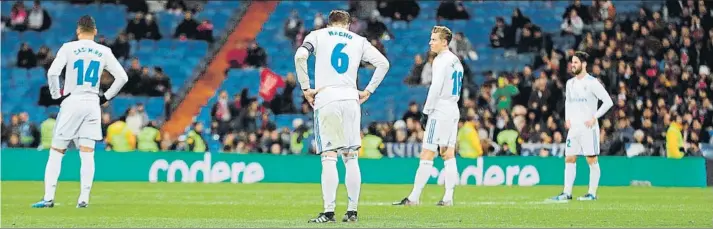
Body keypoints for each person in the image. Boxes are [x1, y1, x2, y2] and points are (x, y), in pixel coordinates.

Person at [294, 10, 390, 223]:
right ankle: (352, 211)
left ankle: (328, 212)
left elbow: (300, 55)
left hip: (327, 97)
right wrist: (368, 90)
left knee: (329, 157)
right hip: (350, 99)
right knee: (351, 157)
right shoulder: (359, 40)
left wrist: (306, 88)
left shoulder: (317, 35)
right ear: (348, 25)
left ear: (330, 23)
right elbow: (384, 64)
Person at [32, 15, 129, 209]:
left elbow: (52, 73)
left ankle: (49, 198)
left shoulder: (68, 48)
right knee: (87, 153)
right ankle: (83, 199)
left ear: (78, 31)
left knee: (57, 151)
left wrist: (56, 95)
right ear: (95, 31)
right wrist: (105, 97)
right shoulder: (103, 51)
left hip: (72, 101)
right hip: (92, 103)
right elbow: (122, 77)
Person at [393, 26, 463, 207]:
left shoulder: (440, 60)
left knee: (427, 152)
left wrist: (426, 111)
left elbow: (435, 87)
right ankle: (448, 197)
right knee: (448, 154)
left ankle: (414, 198)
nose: (430, 42)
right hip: (453, 108)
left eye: (434, 39)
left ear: (444, 42)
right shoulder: (456, 61)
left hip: (439, 110)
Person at [550, 51, 612, 201]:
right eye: (572, 62)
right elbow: (568, 102)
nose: (573, 64)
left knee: (591, 160)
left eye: (576, 62)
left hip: (588, 128)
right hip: (574, 128)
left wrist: (595, 117)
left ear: (584, 64)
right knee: (569, 158)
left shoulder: (592, 82)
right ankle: (567, 192)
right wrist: (567, 119)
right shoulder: (569, 83)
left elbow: (608, 101)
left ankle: (592, 193)